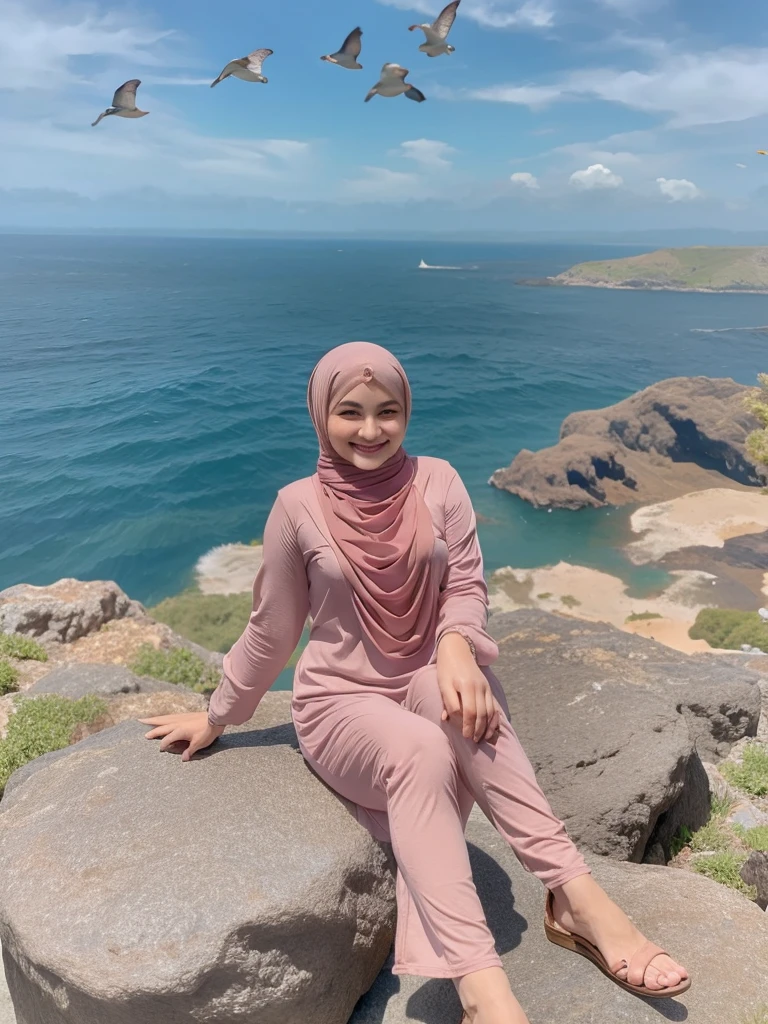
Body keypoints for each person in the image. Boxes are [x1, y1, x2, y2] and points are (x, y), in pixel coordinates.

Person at [139, 342, 690, 1024]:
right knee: (422, 753)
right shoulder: (296, 507)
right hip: (341, 704)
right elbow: (273, 631)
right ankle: (481, 987)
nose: (370, 430)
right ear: (320, 415)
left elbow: (465, 582)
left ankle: (577, 897)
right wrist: (218, 715)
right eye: (350, 412)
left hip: (432, 678)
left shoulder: (440, 482)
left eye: (387, 412)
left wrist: (456, 645)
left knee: (465, 707)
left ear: (406, 413)